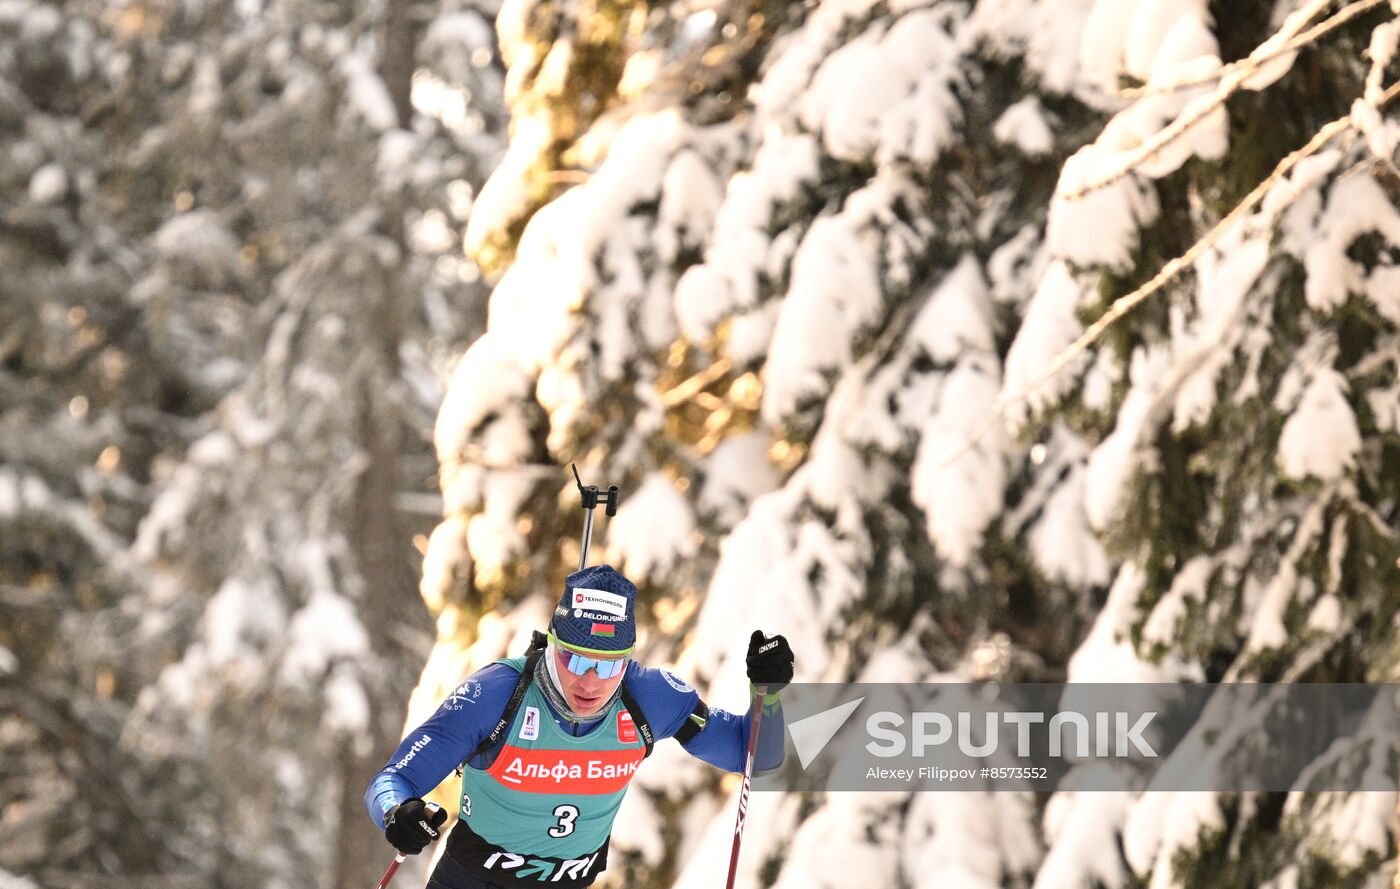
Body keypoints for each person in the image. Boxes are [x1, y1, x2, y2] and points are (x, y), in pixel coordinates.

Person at [365, 565, 794, 889]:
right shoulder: (495, 696)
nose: (590, 681)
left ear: (628, 659)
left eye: (609, 666)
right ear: (551, 643)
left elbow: (752, 755)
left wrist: (768, 696)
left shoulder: (651, 698)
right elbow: (393, 780)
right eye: (575, 659)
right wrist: (397, 814)